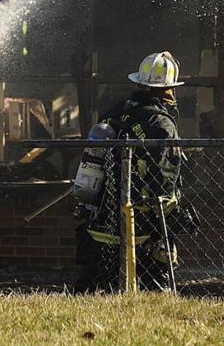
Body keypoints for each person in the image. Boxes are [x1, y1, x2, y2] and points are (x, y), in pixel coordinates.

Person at [76, 51, 188, 292]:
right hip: (143, 226)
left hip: (101, 219)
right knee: (153, 291)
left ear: (139, 83)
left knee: (94, 289)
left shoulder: (114, 111)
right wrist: (171, 215)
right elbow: (165, 179)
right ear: (168, 90)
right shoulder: (162, 125)